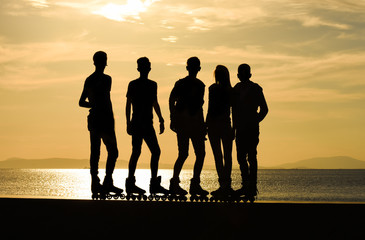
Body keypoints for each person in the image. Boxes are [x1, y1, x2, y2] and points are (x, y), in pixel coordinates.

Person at [79, 51, 122, 197]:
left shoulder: (89, 79)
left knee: (96, 151)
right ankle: (105, 181)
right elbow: (102, 98)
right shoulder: (106, 79)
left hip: (95, 118)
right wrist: (96, 106)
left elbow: (81, 102)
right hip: (104, 119)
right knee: (112, 151)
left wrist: (92, 105)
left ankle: (96, 181)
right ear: (104, 62)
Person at [125, 57, 169, 196]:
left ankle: (146, 183)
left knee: (144, 152)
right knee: (148, 152)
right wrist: (128, 123)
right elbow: (129, 105)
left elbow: (154, 103)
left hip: (143, 123)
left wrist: (161, 119)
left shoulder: (148, 85)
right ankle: (144, 183)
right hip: (140, 123)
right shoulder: (138, 84)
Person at [169, 57, 208, 197]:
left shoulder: (197, 85)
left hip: (192, 124)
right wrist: (173, 117)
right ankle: (182, 183)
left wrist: (173, 117)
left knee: (190, 154)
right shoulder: (192, 84)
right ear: (198, 68)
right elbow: (172, 100)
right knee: (191, 154)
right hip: (188, 124)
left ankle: (189, 184)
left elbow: (172, 100)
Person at [232, 63, 268, 199]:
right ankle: (247, 185)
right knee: (243, 157)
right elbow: (234, 112)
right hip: (241, 128)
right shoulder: (236, 89)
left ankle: (251, 186)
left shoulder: (256, 88)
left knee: (250, 157)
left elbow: (264, 109)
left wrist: (255, 120)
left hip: (250, 129)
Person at [206, 65, 234, 198]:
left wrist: (206, 125)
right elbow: (233, 111)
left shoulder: (213, 88)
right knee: (227, 156)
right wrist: (234, 128)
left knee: (219, 156)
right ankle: (226, 185)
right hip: (224, 125)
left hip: (214, 125)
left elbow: (210, 108)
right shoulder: (230, 90)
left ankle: (223, 184)